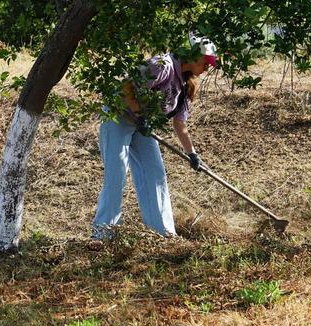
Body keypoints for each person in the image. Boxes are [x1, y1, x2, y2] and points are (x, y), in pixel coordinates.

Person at [91, 35, 218, 240]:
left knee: (155, 174)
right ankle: (102, 234)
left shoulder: (184, 84)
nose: (208, 67)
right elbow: (127, 88)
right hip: (119, 116)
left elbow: (180, 123)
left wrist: (193, 155)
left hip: (143, 124)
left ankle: (164, 234)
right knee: (116, 175)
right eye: (207, 61)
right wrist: (140, 116)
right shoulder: (162, 66)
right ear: (194, 56)